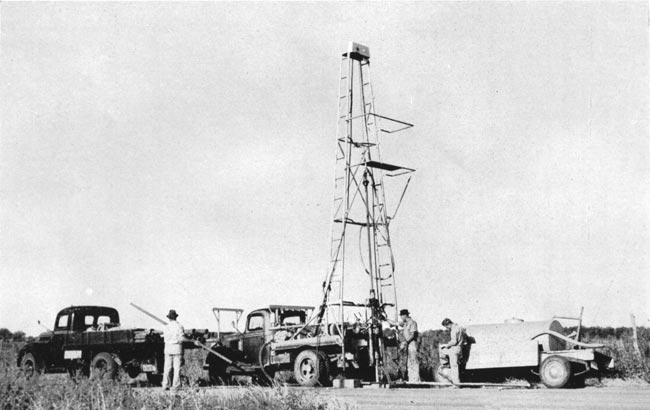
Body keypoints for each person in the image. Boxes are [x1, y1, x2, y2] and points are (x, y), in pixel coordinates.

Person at [162, 309, 185, 390]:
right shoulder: (179, 326)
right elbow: (182, 338)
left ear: (169, 318)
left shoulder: (166, 327)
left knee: (167, 368)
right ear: (176, 317)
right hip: (177, 348)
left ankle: (165, 385)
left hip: (168, 348)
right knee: (177, 368)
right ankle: (176, 385)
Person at [439, 318, 466, 386]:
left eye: (446, 327)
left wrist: (447, 345)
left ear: (448, 325)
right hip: (460, 348)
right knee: (455, 365)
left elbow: (454, 342)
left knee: (454, 367)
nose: (447, 328)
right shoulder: (461, 328)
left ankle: (456, 383)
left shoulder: (453, 330)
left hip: (454, 349)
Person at [399, 309, 420, 383]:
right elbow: (396, 323)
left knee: (413, 361)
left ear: (405, 315)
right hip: (408, 344)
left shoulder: (412, 323)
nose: (401, 318)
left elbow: (413, 335)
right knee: (409, 363)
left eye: (401, 316)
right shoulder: (405, 323)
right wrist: (385, 319)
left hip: (412, 344)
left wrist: (405, 342)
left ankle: (415, 380)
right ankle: (411, 379)